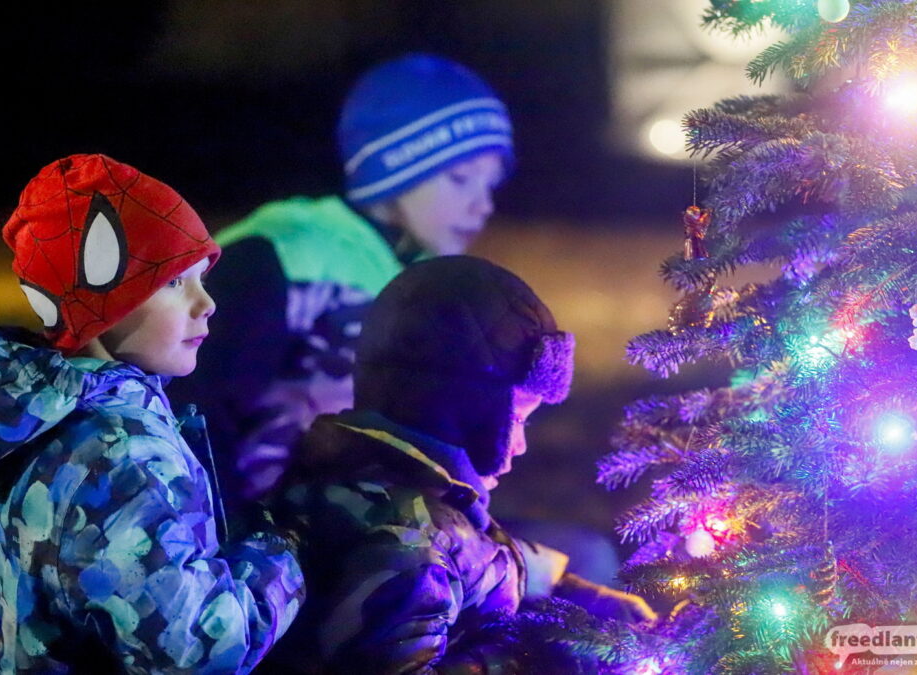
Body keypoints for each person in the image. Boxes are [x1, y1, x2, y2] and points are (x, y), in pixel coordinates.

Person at [0, 154, 305, 673]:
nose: (207, 303)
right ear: (100, 304)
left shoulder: (24, 421)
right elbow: (196, 651)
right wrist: (284, 552)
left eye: (202, 278)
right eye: (173, 283)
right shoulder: (120, 452)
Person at [263, 256, 655, 673]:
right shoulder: (406, 545)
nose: (520, 445)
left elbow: (475, 555)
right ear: (467, 412)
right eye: (517, 419)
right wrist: (538, 658)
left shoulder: (397, 488)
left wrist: (569, 591)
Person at [171, 53, 513, 509]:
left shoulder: (418, 279)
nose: (482, 205)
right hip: (273, 542)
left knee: (580, 553)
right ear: (394, 169)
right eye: (461, 178)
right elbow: (198, 407)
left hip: (375, 536)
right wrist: (232, 549)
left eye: (490, 186)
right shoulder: (290, 252)